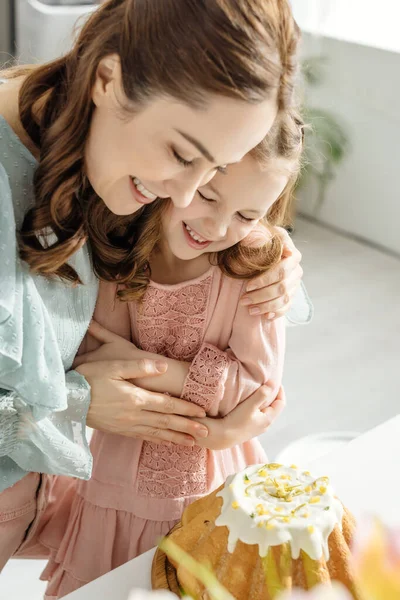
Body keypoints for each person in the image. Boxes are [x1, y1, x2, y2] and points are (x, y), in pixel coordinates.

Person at [0, 0, 305, 572]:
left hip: (36, 500)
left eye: (215, 169)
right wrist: (79, 401)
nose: (186, 196)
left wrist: (273, 252)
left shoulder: (102, 158)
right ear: (108, 79)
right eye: (183, 155)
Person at [37, 110, 304, 597]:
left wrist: (164, 374)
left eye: (247, 215)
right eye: (207, 196)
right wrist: (208, 388)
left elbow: (256, 395)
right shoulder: (118, 245)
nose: (218, 226)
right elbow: (95, 364)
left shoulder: (255, 266)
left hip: (213, 488)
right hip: (114, 483)